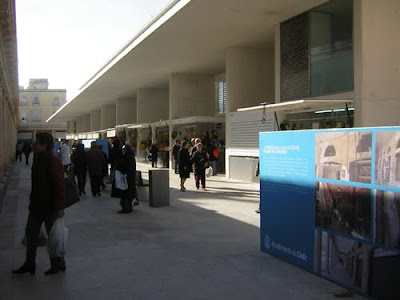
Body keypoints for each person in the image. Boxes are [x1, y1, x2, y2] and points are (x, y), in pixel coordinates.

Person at [12, 132, 66, 275]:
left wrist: (60, 207)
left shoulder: (52, 161)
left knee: (53, 237)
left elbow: (59, 185)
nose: (34, 144)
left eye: (37, 142)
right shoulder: (38, 158)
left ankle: (58, 264)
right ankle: (29, 264)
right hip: (36, 207)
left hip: (50, 208)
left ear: (44, 145)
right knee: (31, 236)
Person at [111, 142, 138, 213]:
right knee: (129, 193)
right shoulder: (131, 157)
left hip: (125, 178)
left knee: (124, 193)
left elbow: (121, 167)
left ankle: (125, 207)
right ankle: (129, 206)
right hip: (130, 178)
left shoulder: (126, 158)